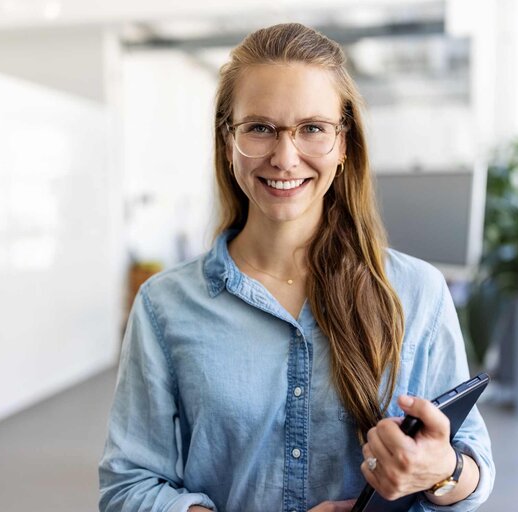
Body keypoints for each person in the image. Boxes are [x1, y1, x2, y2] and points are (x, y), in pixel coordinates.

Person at [99, 23, 494, 512]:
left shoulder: (416, 292)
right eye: (260, 128)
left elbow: (474, 468)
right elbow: (129, 487)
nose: (285, 158)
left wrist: (444, 470)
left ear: (343, 143)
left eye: (312, 128)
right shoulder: (165, 306)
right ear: (228, 142)